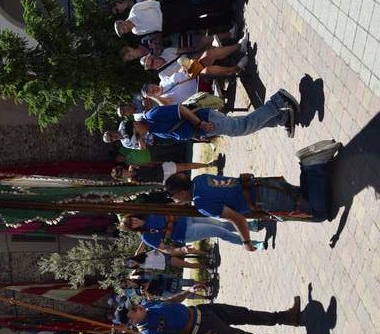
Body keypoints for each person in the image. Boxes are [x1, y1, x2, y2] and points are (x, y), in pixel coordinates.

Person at [164, 141, 341, 249]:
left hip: (265, 200)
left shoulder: (201, 204)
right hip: (262, 184)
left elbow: (237, 219)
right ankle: (307, 163)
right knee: (303, 196)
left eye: (174, 197)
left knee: (317, 214)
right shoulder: (200, 179)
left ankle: (312, 165)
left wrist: (246, 242)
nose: (175, 200)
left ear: (181, 192)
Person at [114, 297, 308, 334]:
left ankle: (286, 317)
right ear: (131, 320)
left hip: (202, 310)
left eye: (134, 304)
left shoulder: (147, 305)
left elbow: (170, 301)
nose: (137, 305)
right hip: (205, 330)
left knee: (246, 314)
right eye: (133, 309)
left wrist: (187, 292)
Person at [134, 89, 301, 144]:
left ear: (135, 125)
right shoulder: (153, 130)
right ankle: (283, 117)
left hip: (205, 119)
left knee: (242, 127)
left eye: (136, 134)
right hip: (204, 128)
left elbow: (182, 110)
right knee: (243, 125)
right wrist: (199, 135)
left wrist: (200, 124)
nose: (139, 137)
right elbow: (177, 131)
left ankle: (278, 100)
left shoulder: (152, 115)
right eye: (136, 138)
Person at [119, 213, 264, 252]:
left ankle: (250, 226)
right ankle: (251, 244)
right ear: (133, 229)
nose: (134, 222)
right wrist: (180, 249)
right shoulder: (146, 236)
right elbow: (164, 248)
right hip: (186, 232)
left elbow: (168, 210)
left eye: (131, 219)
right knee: (220, 232)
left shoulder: (149, 214)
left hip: (187, 218)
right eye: (131, 225)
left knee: (222, 224)